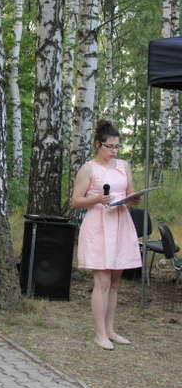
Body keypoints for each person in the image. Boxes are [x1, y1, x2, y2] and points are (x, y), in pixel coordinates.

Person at [71, 119, 142, 351]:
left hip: (121, 223)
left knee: (115, 281)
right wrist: (97, 199)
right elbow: (75, 201)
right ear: (97, 144)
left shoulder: (123, 166)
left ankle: (110, 329)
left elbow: (130, 191)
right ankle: (99, 333)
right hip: (99, 225)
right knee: (102, 280)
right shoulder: (88, 168)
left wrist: (132, 198)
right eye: (110, 146)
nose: (114, 151)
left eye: (117, 146)